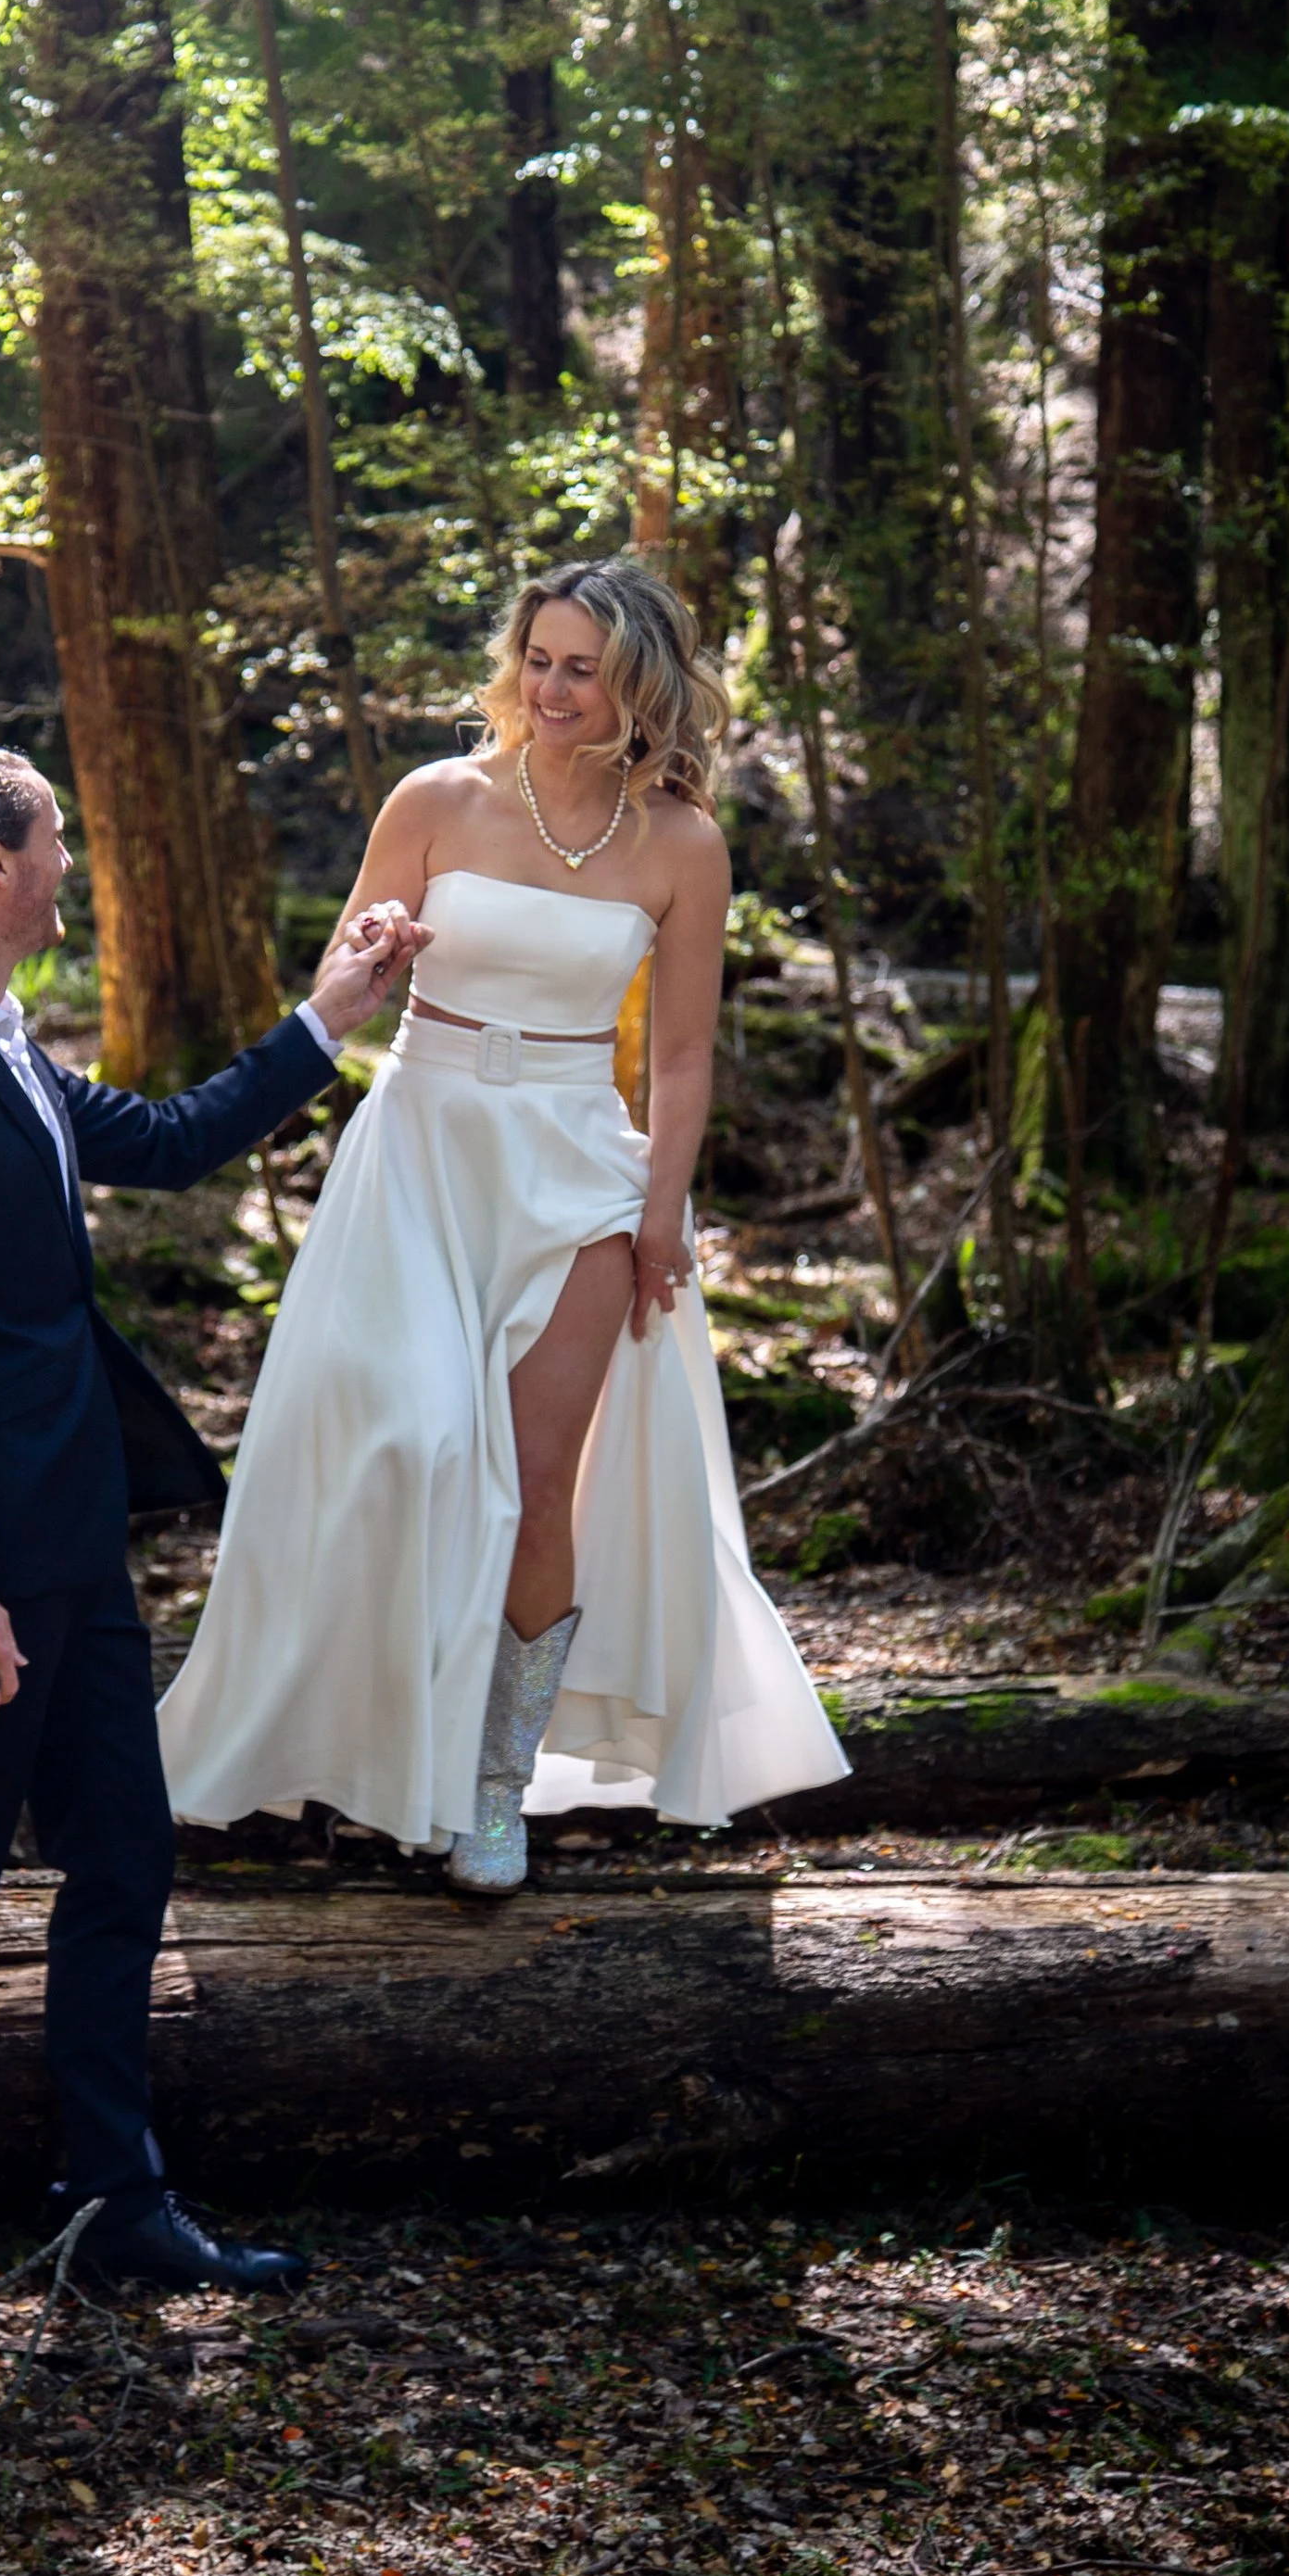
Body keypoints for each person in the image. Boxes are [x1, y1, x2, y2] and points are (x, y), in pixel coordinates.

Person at [0, 742, 425, 2331]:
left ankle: (113, 2194)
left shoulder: (5, 1047)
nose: (72, 860)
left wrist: (325, 1018)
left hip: (80, 1543)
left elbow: (166, 1139)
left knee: (125, 1857)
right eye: (56, 838)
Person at [158, 556, 850, 1891]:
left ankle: (491, 1782)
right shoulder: (440, 799)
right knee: (409, 1440)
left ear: (640, 681)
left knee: (539, 1481)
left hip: (578, 1165)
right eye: (538, 659)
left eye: (581, 667)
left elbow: (687, 1060)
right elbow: (341, 969)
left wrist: (664, 1215)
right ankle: (357, 1743)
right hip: (421, 1141)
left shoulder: (682, 844)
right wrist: (366, 964)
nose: (551, 688)